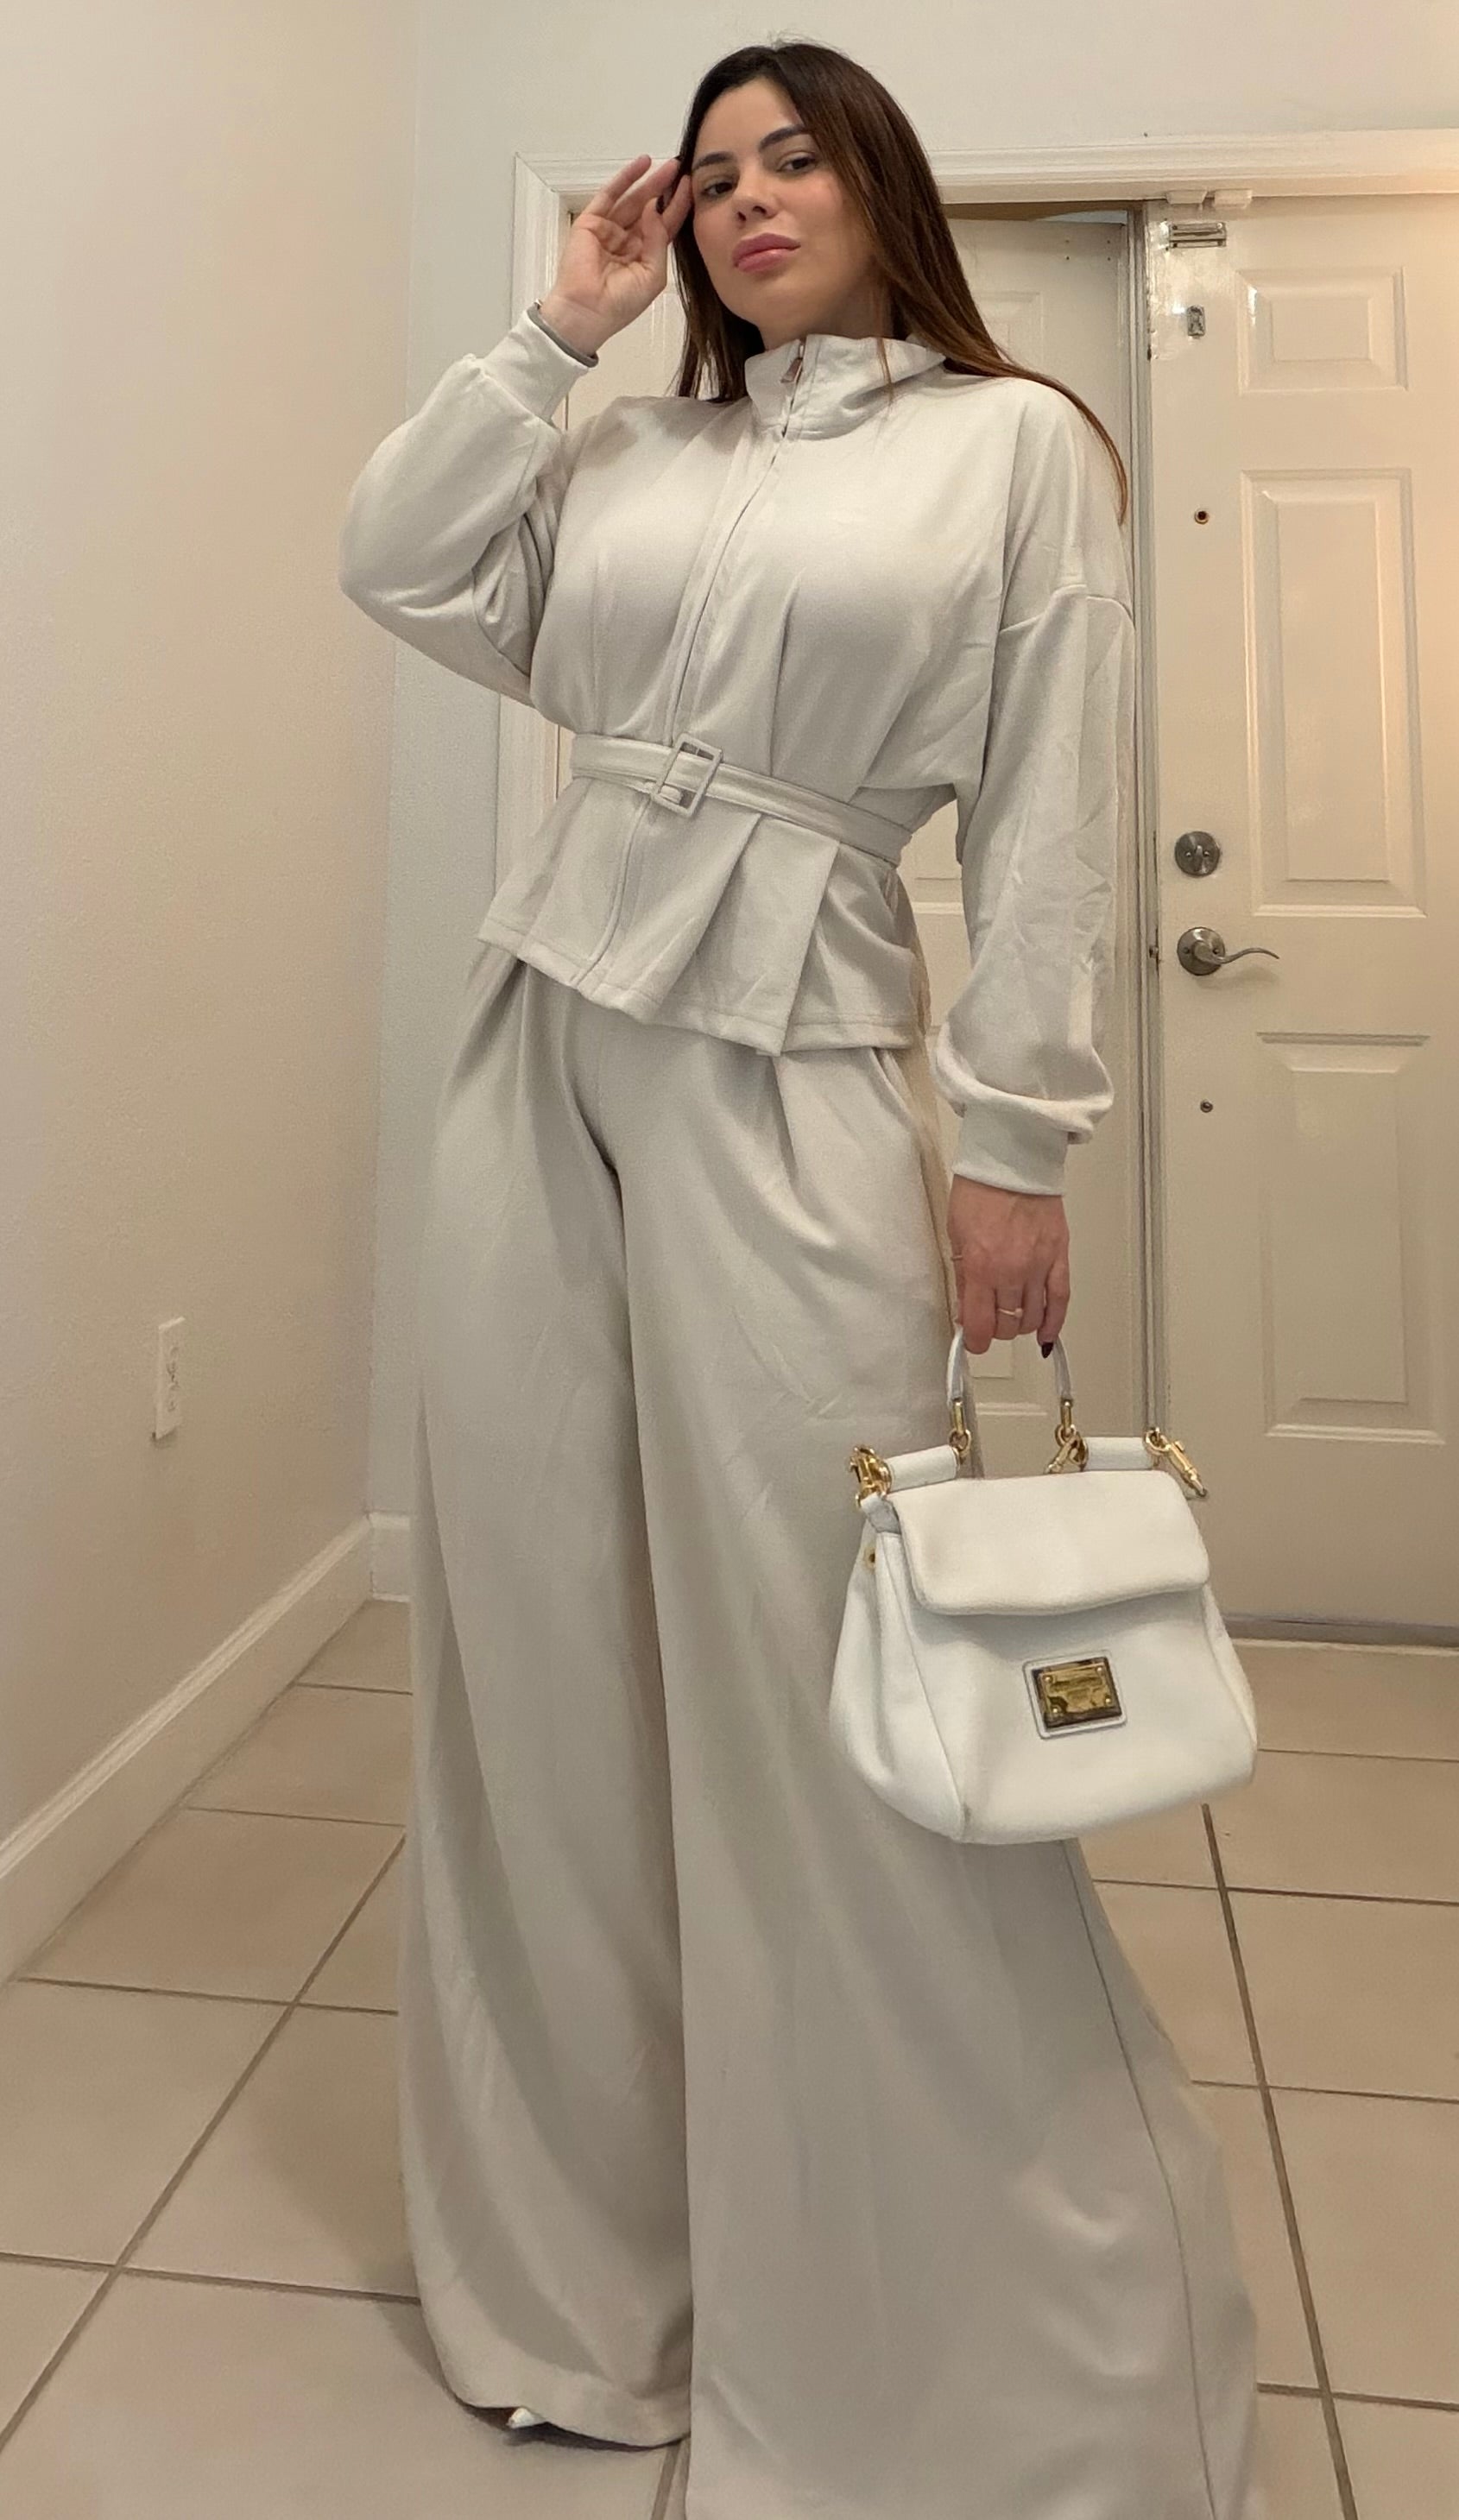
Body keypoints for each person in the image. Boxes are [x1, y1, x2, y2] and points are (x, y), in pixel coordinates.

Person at [337, 38, 1263, 2520]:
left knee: (823, 1683)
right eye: (715, 169)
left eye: (797, 159)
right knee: (544, 1658)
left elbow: (1052, 807)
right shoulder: (630, 451)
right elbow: (397, 562)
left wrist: (1018, 1144)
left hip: (802, 1061)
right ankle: (596, 2285)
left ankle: (967, 2342)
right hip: (540, 1050)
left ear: (881, 192)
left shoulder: (1014, 446)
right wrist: (555, 330)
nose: (750, 200)